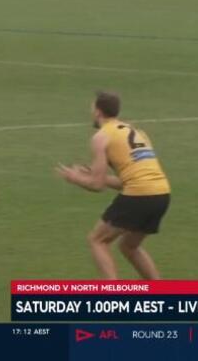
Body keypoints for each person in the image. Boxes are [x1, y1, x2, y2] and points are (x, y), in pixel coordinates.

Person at [56, 91, 170, 280]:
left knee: (97, 240)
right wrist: (92, 173)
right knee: (129, 246)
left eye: (93, 108)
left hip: (139, 194)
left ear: (98, 112)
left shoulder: (101, 137)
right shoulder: (136, 132)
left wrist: (74, 177)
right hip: (161, 194)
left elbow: (96, 185)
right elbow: (125, 180)